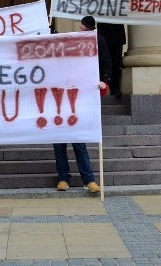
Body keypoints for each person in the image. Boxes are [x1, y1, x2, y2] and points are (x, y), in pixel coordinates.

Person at [53, 16, 109, 194]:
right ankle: (63, 177)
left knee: (79, 144)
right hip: (56, 109)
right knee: (59, 145)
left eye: (83, 25)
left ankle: (89, 179)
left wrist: (103, 84)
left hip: (76, 109)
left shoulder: (85, 62)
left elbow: (99, 76)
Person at [97, 22, 126, 97]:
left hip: (116, 38)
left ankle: (115, 88)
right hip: (105, 36)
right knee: (104, 63)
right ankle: (108, 87)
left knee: (116, 64)